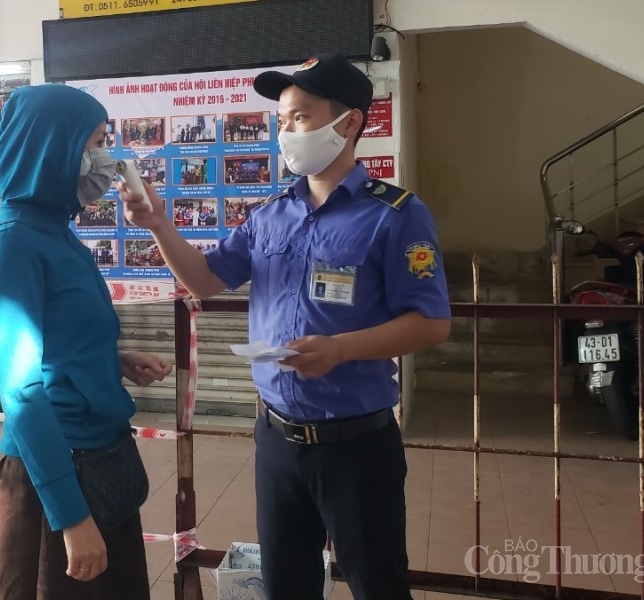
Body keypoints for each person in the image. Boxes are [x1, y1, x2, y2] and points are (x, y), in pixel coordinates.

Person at [118, 53, 451, 600]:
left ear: (349, 122)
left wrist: (340, 349)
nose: (287, 132)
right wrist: (157, 224)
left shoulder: (394, 214)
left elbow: (431, 323)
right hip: (277, 439)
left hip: (356, 444)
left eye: (300, 116)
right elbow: (204, 280)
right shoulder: (271, 214)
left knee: (377, 584)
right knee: (286, 584)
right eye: (281, 120)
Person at [0, 84, 172, 600]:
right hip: (53, 476)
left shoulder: (56, 230)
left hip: (98, 462)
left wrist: (110, 359)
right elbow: (22, 390)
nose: (106, 160)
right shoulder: (15, 244)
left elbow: (57, 339)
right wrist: (71, 516)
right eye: (97, 143)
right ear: (53, 148)